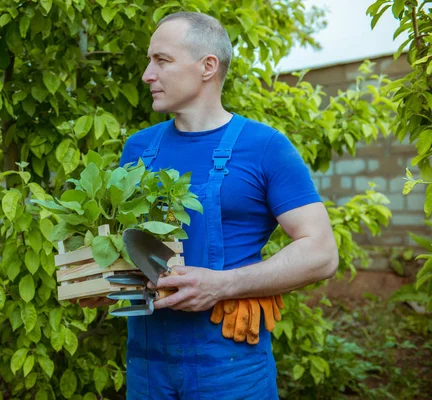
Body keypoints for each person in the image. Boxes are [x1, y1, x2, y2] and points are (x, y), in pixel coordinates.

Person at [79, 11, 339, 399]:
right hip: (146, 367)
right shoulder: (139, 149)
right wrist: (100, 280)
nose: (147, 74)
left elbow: (321, 253)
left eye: (161, 60)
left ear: (208, 66)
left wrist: (224, 285)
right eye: (149, 61)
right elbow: (130, 253)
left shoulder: (265, 147)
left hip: (231, 370)